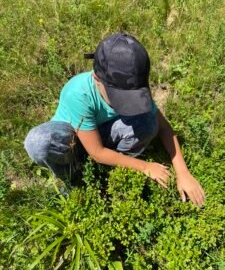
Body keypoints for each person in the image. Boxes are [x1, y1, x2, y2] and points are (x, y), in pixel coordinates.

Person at [24, 33, 205, 206]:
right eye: (119, 96)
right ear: (97, 79)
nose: (126, 103)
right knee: (39, 142)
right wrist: (145, 167)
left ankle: (110, 169)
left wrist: (183, 172)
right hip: (74, 141)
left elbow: (164, 126)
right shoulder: (78, 93)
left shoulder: (136, 85)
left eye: (132, 96)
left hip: (103, 137)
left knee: (149, 122)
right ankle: (73, 180)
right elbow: (96, 152)